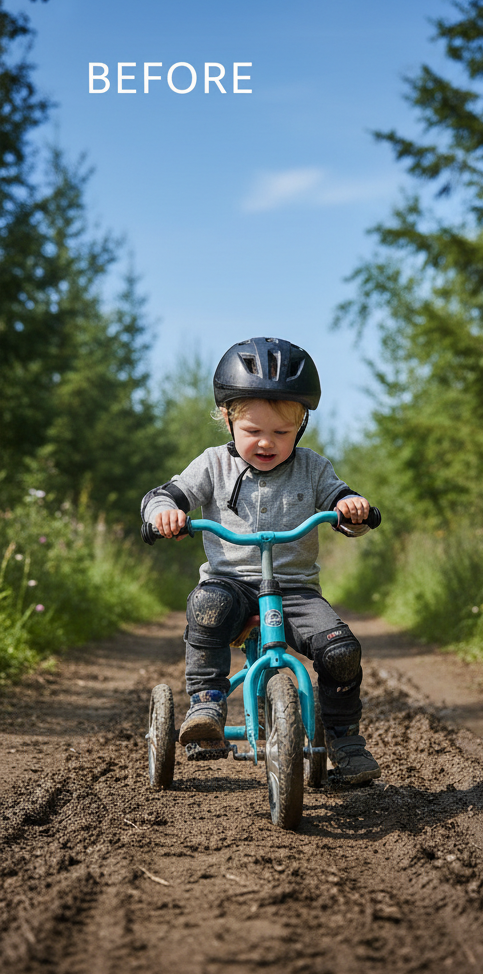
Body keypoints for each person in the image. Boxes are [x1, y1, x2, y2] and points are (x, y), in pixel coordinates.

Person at [141, 336, 381, 785]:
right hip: (229, 582)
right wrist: (163, 513)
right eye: (253, 432)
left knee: (341, 651)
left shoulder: (312, 468)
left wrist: (353, 510)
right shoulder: (212, 465)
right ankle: (207, 705)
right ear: (228, 419)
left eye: (282, 433)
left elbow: (344, 504)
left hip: (294, 591)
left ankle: (345, 738)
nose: (267, 443)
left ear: (302, 427)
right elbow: (166, 495)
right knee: (206, 608)